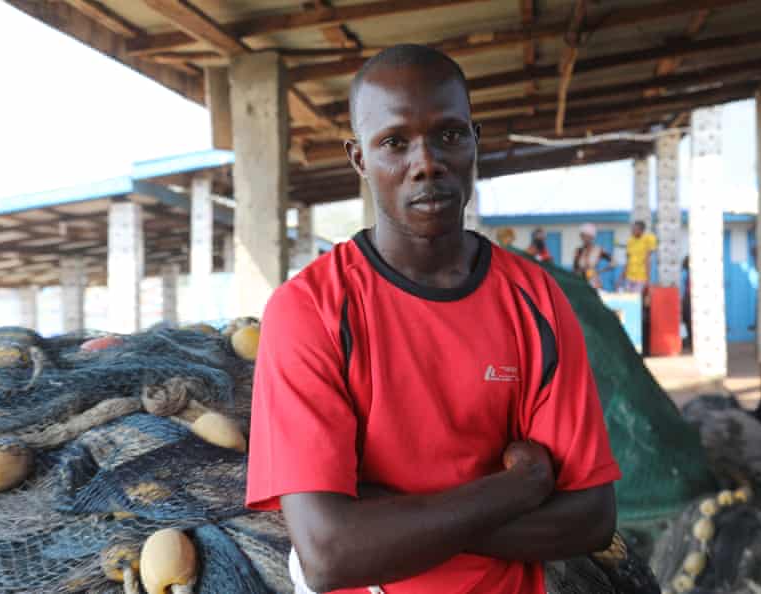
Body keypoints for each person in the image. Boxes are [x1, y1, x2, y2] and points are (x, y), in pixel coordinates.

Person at [245, 44, 620, 594]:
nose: (426, 162)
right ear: (358, 159)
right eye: (394, 142)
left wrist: (389, 516)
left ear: (475, 141)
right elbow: (329, 553)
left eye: (448, 134)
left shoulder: (536, 300)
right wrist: (522, 487)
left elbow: (591, 516)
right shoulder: (310, 310)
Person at [620, 220, 657, 294]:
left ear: (641, 230)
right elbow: (627, 261)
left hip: (641, 277)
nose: (633, 231)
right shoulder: (630, 241)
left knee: (636, 299)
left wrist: (648, 279)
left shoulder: (649, 239)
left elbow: (647, 260)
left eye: (635, 229)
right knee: (627, 298)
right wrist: (621, 278)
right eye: (632, 229)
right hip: (629, 276)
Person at [572, 223, 611, 289]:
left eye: (584, 236)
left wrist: (599, 272)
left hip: (594, 283)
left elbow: (613, 262)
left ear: (591, 237)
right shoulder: (578, 251)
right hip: (581, 282)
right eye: (582, 236)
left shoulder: (598, 250)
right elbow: (575, 269)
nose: (583, 238)